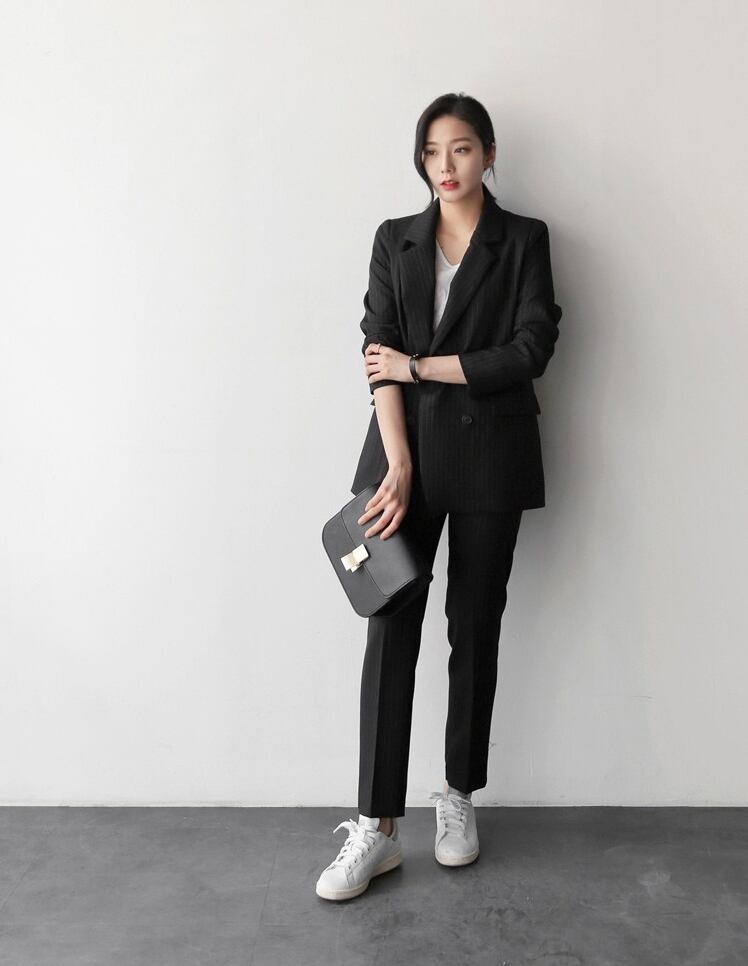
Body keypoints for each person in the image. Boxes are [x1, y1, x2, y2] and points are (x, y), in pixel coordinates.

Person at [316, 92, 562, 901]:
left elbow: (529, 350)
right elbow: (377, 350)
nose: (444, 166)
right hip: (404, 457)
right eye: (431, 151)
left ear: (489, 153)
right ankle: (377, 827)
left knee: (474, 624)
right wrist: (399, 464)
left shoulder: (523, 239)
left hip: (492, 455)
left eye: (460, 149)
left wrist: (421, 367)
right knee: (390, 626)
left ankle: (457, 796)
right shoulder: (396, 238)